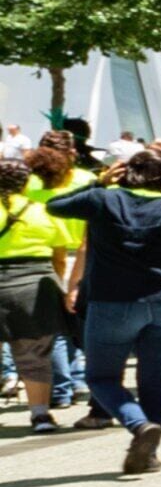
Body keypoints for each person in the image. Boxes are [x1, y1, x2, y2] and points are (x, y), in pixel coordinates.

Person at [49, 146, 161, 475]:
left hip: (113, 303)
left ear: (126, 173)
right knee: (154, 382)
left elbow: (55, 205)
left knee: (102, 377)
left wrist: (99, 182)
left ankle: (139, 426)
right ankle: (148, 453)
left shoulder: (102, 200)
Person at [3, 153, 77, 432]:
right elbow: (59, 257)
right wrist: (58, 285)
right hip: (34, 285)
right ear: (25, 183)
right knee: (34, 354)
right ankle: (40, 415)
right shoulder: (42, 211)